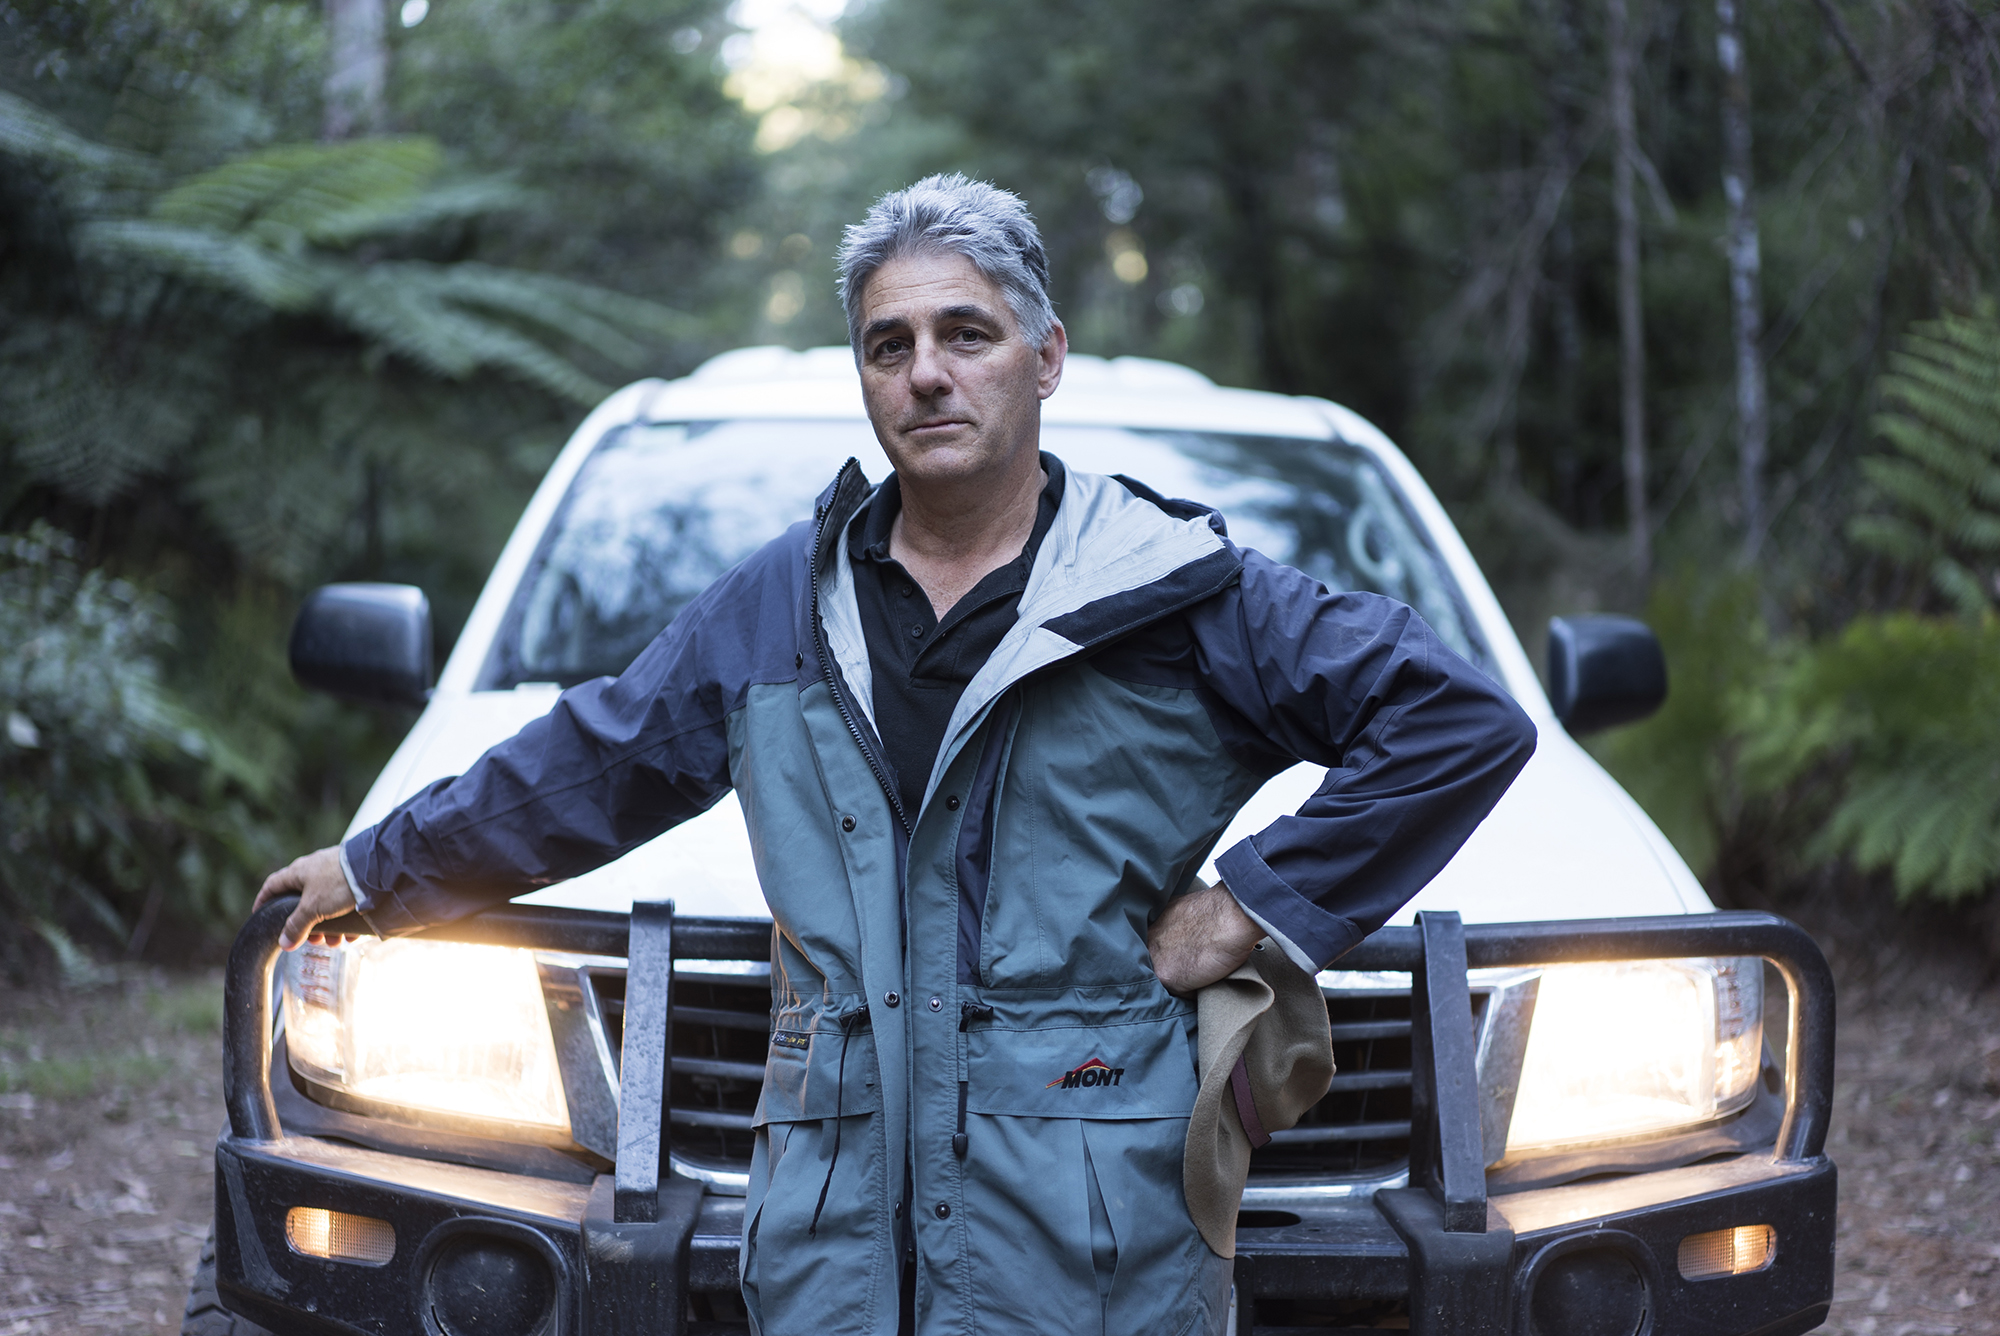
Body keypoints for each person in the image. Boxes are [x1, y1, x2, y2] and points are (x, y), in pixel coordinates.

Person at [255, 173, 1537, 1336]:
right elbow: (593, 761)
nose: (925, 373)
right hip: (832, 1246)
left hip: (1092, 1246)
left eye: (964, 335)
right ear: (864, 380)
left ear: (1044, 359)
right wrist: (381, 864)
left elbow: (1455, 722)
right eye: (889, 345)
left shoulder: (1178, 597)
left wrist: (1252, 902)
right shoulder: (778, 607)